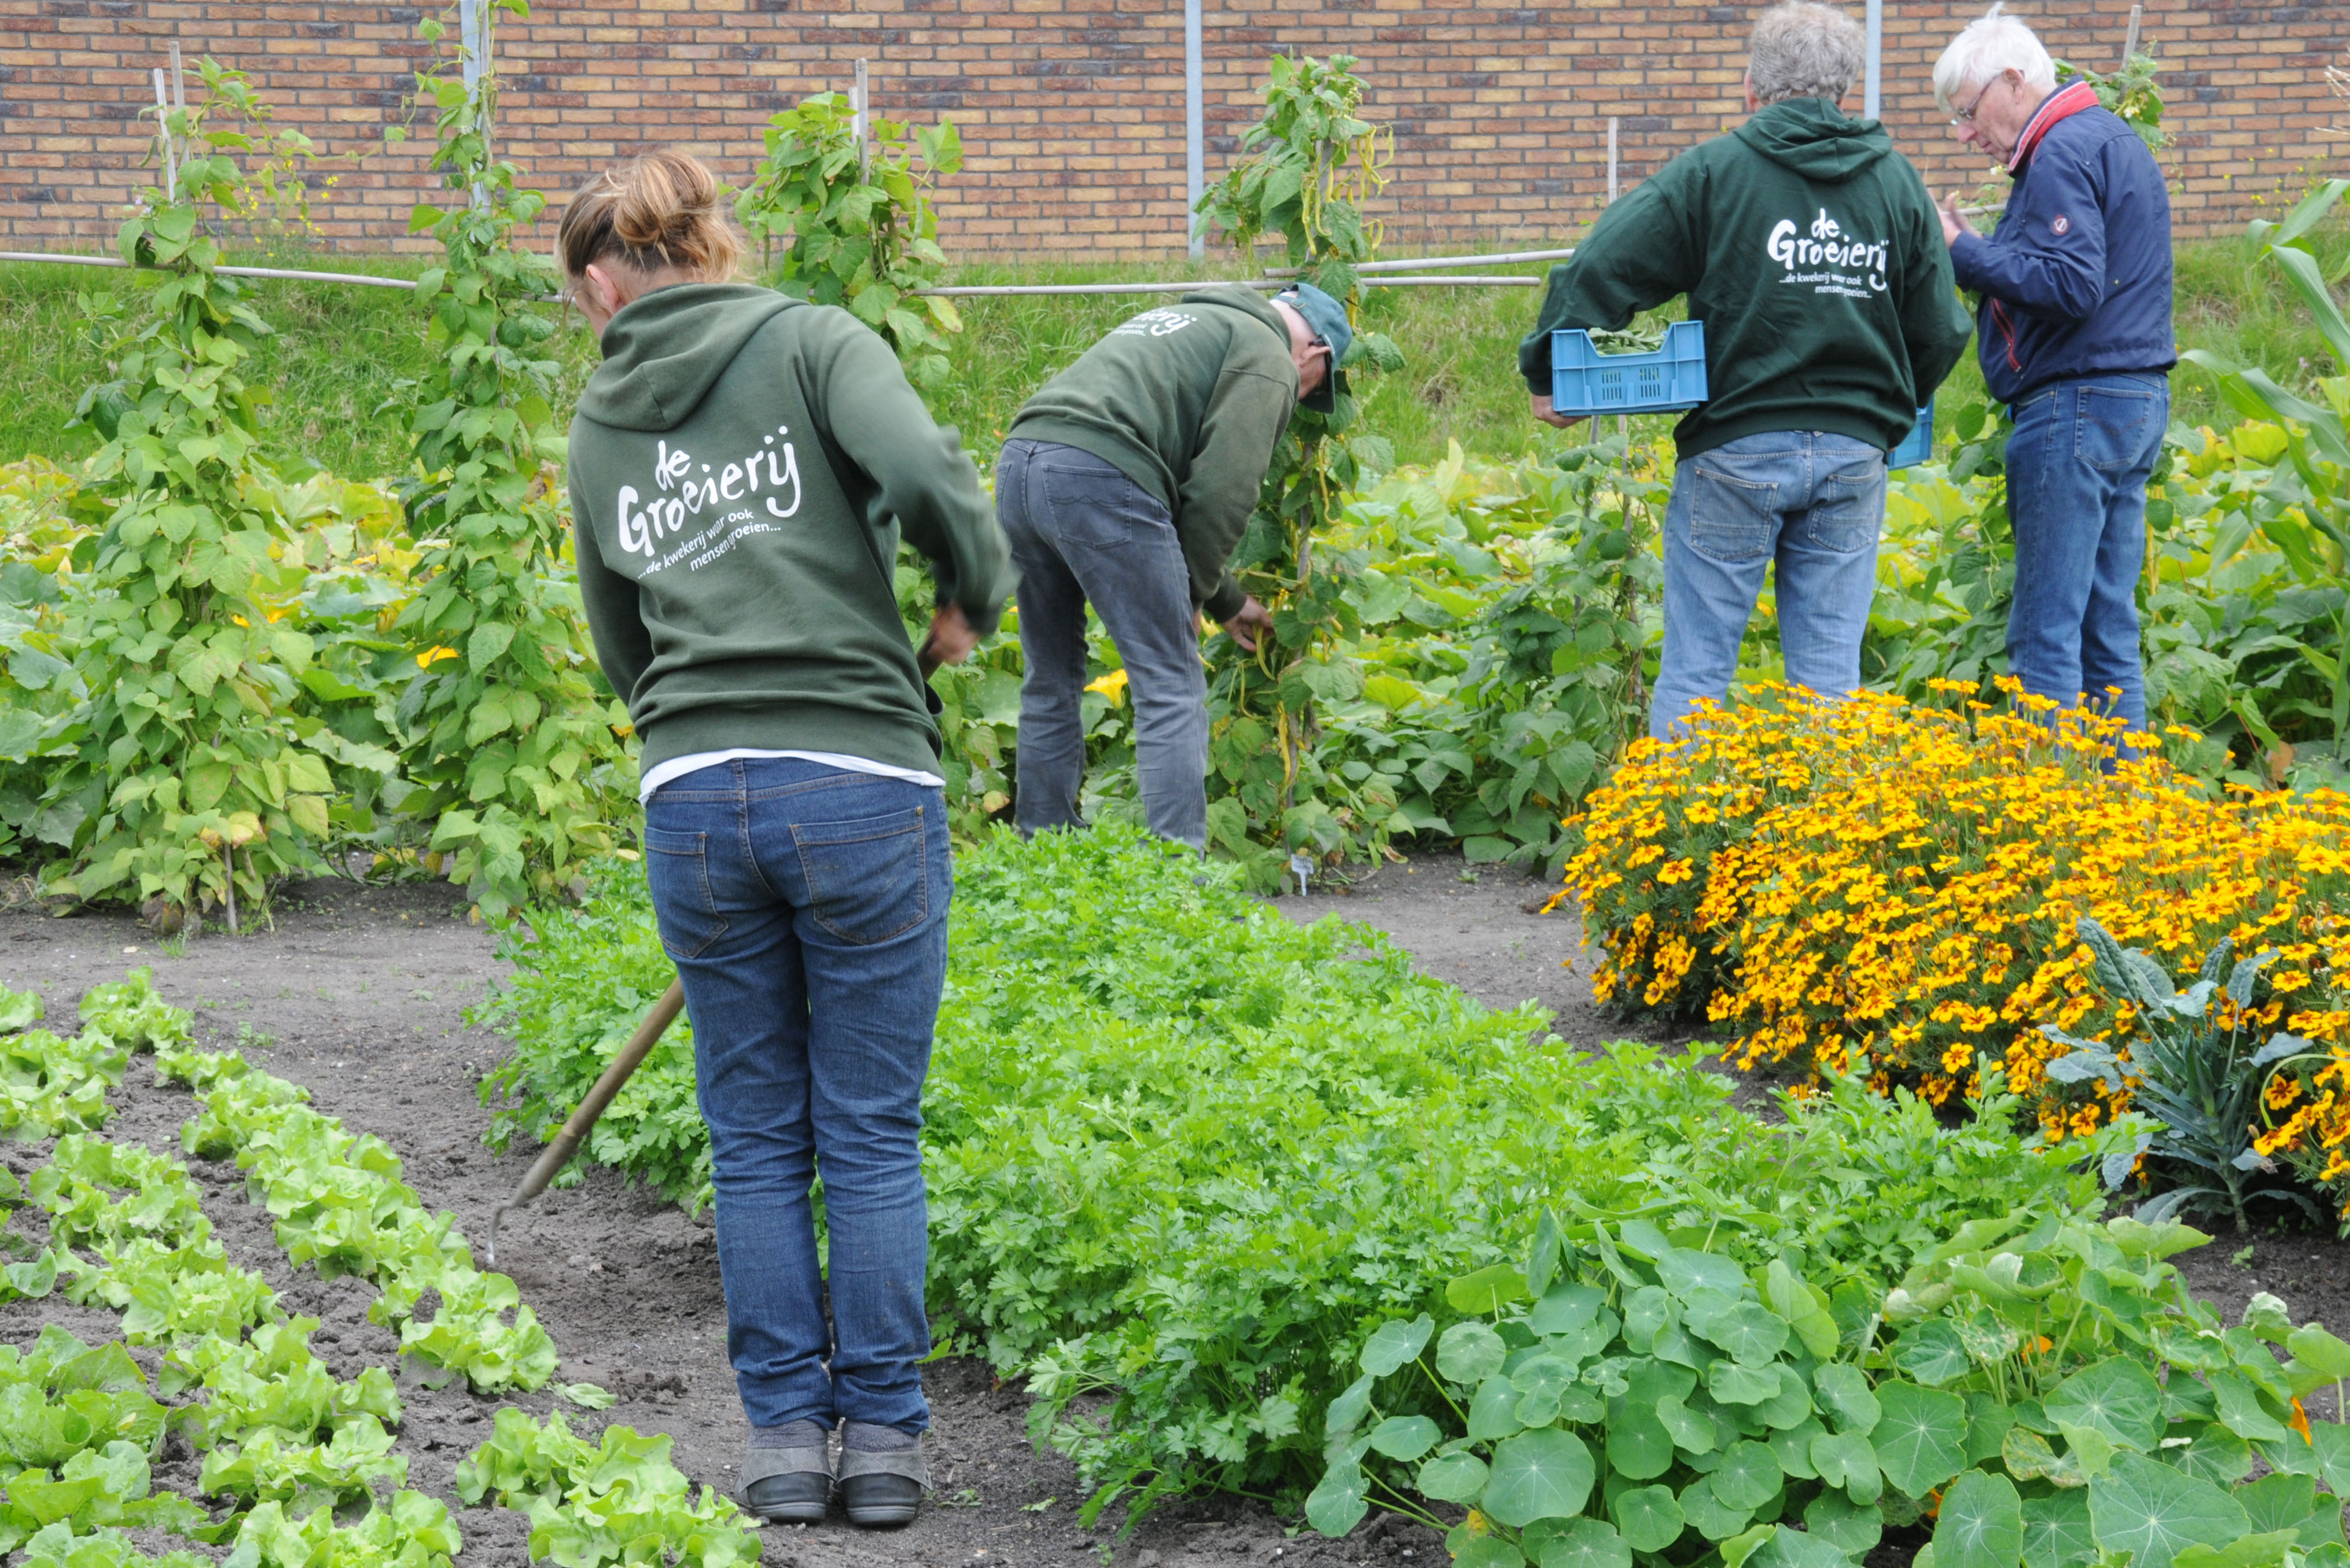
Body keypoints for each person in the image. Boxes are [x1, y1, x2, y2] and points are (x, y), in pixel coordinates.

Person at [557, 150, 1011, 1532]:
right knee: (866, 1132)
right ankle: (880, 1445)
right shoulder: (812, 341)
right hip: (858, 776)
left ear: (598, 282)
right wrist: (967, 601)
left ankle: (778, 1447)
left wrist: (696, 735)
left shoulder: (597, 422)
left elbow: (616, 633)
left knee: (754, 1140)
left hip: (694, 799)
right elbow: (929, 471)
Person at [1521, 0, 1973, 739]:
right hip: (1854, 456)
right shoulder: (1896, 184)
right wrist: (1889, 411)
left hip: (1734, 451)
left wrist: (1550, 367)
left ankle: (1673, 842)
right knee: (1828, 680)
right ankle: (1826, 845)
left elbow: (1602, 262)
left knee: (1698, 672)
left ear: (1750, 86)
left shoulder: (1714, 174)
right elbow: (1942, 329)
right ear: (1844, 89)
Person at [996, 281, 1350, 847]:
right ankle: (1176, 875)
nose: (1304, 397)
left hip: (1020, 465)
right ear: (1316, 354)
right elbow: (1221, 492)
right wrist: (1190, 596)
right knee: (1169, 681)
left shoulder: (1189, 322)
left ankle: (1043, 850)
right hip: (1100, 476)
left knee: (1050, 676)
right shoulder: (1268, 356)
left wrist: (1223, 600)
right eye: (1314, 389)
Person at [1934, 3, 2174, 733]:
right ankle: (2119, 821)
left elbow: (2070, 285)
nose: (1966, 133)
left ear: (2013, 81)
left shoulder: (2060, 149)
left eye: (1967, 112)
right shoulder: (2111, 138)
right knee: (2109, 631)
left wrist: (1963, 253)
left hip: (2075, 403)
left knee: (2044, 631)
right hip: (2134, 399)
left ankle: (2053, 828)